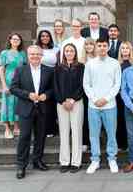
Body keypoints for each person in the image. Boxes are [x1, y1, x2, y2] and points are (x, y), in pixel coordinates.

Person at [10, 45, 54, 179]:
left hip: (42, 109)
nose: (35, 56)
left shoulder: (48, 71)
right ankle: (21, 166)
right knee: (24, 137)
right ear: (28, 56)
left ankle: (37, 161)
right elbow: (13, 88)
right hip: (25, 108)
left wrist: (46, 95)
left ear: (42, 56)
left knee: (40, 137)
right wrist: (27, 94)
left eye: (37, 54)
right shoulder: (20, 70)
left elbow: (52, 88)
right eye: (32, 54)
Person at [83, 38, 121, 174]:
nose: (102, 48)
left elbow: (117, 84)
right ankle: (95, 160)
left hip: (110, 105)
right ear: (96, 47)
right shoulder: (90, 64)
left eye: (104, 45)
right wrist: (94, 99)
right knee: (94, 134)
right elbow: (86, 84)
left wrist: (106, 99)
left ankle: (112, 159)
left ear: (108, 47)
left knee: (111, 134)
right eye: (99, 45)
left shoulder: (115, 63)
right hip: (93, 106)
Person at [54, 43, 85, 173]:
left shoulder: (81, 67)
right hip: (62, 104)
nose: (69, 53)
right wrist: (62, 101)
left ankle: (76, 162)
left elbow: (82, 85)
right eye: (66, 51)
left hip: (76, 103)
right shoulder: (58, 68)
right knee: (64, 132)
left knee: (76, 131)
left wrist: (72, 100)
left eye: (71, 50)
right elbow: (55, 86)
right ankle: (64, 161)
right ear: (63, 53)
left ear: (75, 52)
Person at [0, 33, 27, 139]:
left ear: (20, 42)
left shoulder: (22, 54)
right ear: (10, 40)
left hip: (19, 82)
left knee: (17, 104)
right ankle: (7, 129)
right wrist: (4, 85)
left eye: (18, 39)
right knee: (6, 104)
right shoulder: (4, 53)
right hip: (8, 81)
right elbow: (1, 70)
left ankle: (16, 127)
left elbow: (25, 69)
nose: (16, 41)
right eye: (14, 39)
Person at [36, 30, 59, 137]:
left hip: (53, 77)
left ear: (50, 37)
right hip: (40, 77)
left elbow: (58, 64)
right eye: (42, 36)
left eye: (47, 36)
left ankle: (52, 129)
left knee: (52, 104)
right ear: (39, 38)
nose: (45, 38)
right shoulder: (36, 49)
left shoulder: (55, 49)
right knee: (42, 104)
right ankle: (42, 129)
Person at [116, 41, 133, 150]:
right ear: (120, 50)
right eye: (123, 48)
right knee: (120, 120)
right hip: (119, 97)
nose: (125, 50)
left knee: (130, 121)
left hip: (131, 97)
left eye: (127, 48)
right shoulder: (116, 64)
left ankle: (130, 144)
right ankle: (121, 144)